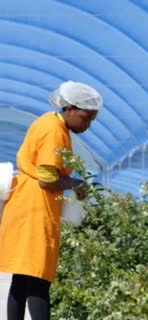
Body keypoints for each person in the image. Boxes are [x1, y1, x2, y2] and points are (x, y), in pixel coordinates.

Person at [0, 81, 102, 320]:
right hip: (35, 205)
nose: (88, 125)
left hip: (27, 203)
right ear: (69, 108)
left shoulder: (51, 123)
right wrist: (76, 184)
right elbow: (46, 180)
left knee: (23, 275)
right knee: (38, 278)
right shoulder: (53, 130)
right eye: (86, 118)